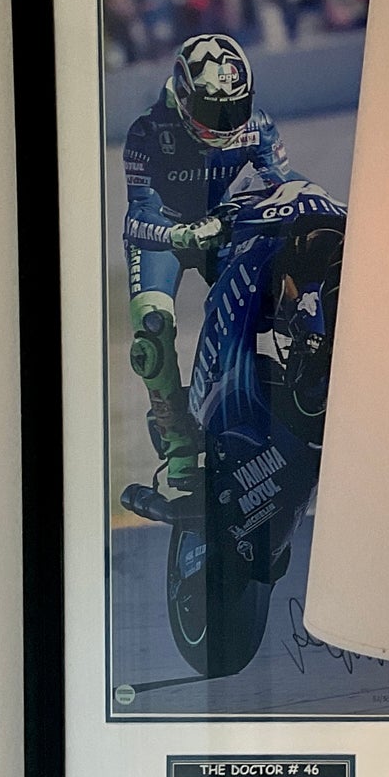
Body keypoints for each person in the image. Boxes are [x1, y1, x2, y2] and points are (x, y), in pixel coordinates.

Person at [121, 33, 303, 491]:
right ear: (184, 97)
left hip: (219, 227)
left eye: (235, 108)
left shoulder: (259, 126)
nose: (226, 122)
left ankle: (275, 401)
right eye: (211, 109)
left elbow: (283, 184)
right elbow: (137, 216)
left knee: (272, 297)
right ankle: (177, 441)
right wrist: (180, 234)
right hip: (164, 234)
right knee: (152, 328)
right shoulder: (146, 133)